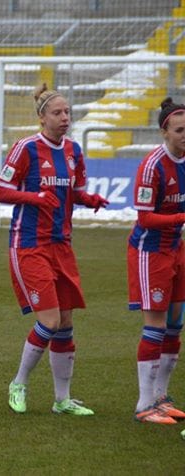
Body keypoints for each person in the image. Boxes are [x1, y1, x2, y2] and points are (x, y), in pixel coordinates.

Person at [0, 83, 108, 416]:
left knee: (66, 322)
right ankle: (19, 383)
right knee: (51, 320)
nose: (65, 118)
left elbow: (72, 193)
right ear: (42, 118)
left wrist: (89, 200)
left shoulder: (73, 151)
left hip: (62, 246)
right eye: (57, 113)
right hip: (28, 244)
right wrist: (35, 197)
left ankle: (62, 399)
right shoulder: (26, 148)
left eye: (68, 112)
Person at [127, 97, 185, 424]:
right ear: (165, 132)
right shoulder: (152, 166)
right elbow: (145, 218)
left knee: (175, 326)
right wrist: (181, 216)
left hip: (176, 247)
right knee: (156, 327)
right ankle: (144, 404)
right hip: (151, 251)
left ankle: (162, 397)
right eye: (179, 130)